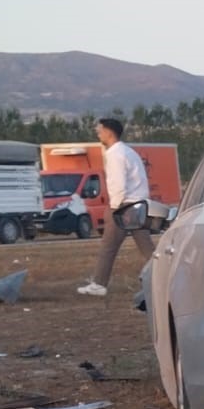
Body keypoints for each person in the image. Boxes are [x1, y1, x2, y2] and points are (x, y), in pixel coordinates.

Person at [77, 117, 154, 297]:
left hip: (123, 206)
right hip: (138, 205)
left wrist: (114, 208)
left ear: (109, 132)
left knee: (108, 247)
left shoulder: (114, 155)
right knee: (147, 247)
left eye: (100, 130)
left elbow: (118, 184)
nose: (98, 133)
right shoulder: (128, 152)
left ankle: (99, 284)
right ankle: (167, 275)